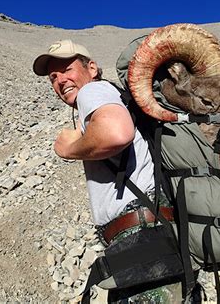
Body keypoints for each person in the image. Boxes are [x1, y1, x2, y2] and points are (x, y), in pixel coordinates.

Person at [33, 40, 187, 303]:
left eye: (67, 69)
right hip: (150, 237)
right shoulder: (111, 96)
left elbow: (116, 133)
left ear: (91, 68)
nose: (60, 81)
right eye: (53, 77)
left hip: (139, 239)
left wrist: (68, 148)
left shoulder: (92, 93)